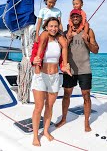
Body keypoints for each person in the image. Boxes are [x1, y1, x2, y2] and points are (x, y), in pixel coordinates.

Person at [55, 9, 99, 132]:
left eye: (77, 16)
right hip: (70, 70)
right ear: (70, 18)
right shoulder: (65, 33)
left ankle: (86, 122)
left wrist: (86, 40)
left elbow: (96, 50)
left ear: (81, 17)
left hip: (85, 69)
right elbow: (58, 50)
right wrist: (68, 39)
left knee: (86, 96)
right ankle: (64, 119)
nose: (75, 17)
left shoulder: (88, 31)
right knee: (66, 95)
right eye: (73, 16)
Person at [31, 17, 71, 146]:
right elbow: (34, 54)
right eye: (51, 26)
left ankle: (46, 131)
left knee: (50, 106)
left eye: (55, 26)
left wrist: (65, 66)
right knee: (39, 107)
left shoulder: (60, 41)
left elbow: (63, 56)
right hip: (41, 76)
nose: (53, 28)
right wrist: (34, 61)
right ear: (46, 27)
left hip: (54, 77)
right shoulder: (42, 38)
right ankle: (35, 136)